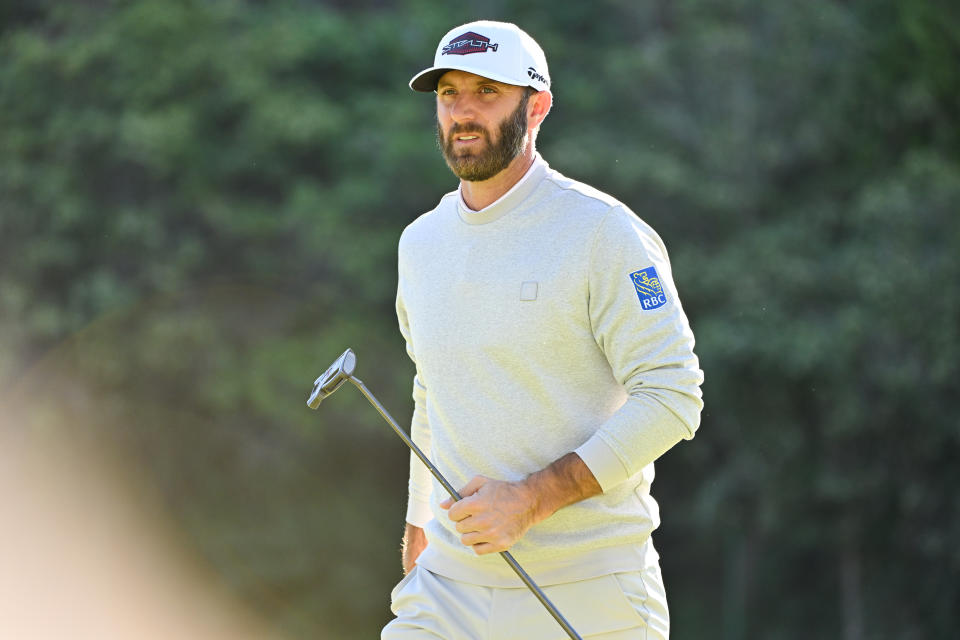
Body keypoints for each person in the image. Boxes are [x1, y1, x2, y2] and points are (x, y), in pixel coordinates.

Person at [384, 20, 704, 640]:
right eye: (449, 94)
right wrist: (419, 521)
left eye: (486, 92)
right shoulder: (419, 243)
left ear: (538, 107)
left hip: (591, 590)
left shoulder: (605, 232)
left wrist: (533, 498)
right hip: (447, 588)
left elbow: (673, 395)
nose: (463, 112)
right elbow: (432, 390)